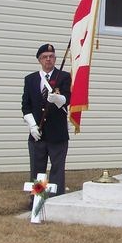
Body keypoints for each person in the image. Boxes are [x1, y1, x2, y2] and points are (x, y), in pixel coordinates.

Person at [21, 43, 72, 196]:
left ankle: (56, 200)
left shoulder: (63, 77)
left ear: (55, 58)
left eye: (51, 57)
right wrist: (32, 126)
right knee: (37, 169)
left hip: (57, 133)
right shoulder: (30, 79)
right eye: (44, 57)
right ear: (39, 60)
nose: (48, 60)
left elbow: (68, 99)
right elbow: (26, 106)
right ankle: (37, 200)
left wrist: (57, 98)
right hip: (38, 133)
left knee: (57, 169)